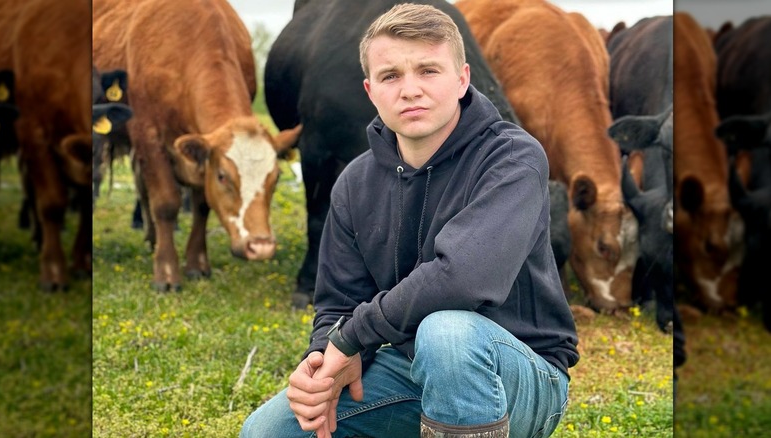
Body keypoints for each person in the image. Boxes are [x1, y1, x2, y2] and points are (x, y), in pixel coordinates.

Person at [240, 4, 579, 437]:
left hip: (520, 372)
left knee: (447, 333)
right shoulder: (354, 182)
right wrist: (323, 356)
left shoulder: (512, 158)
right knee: (267, 432)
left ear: (462, 79)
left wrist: (352, 337)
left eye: (428, 71)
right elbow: (338, 303)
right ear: (370, 90)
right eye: (391, 76)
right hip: (411, 368)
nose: (410, 90)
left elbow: (464, 278)